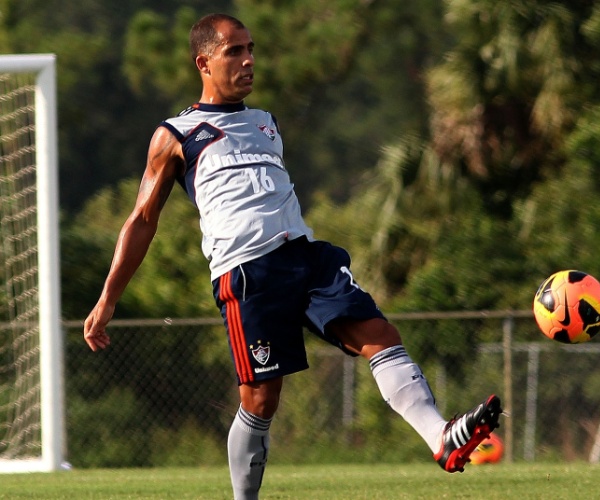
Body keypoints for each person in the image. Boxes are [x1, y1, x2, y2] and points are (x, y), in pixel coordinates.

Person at [83, 13, 501, 500]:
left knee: (380, 335)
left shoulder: (266, 122)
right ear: (203, 62)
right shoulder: (177, 134)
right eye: (234, 51)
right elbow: (142, 220)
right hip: (247, 274)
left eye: (251, 49)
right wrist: (109, 297)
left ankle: (441, 438)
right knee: (262, 399)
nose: (248, 60)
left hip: (306, 258)